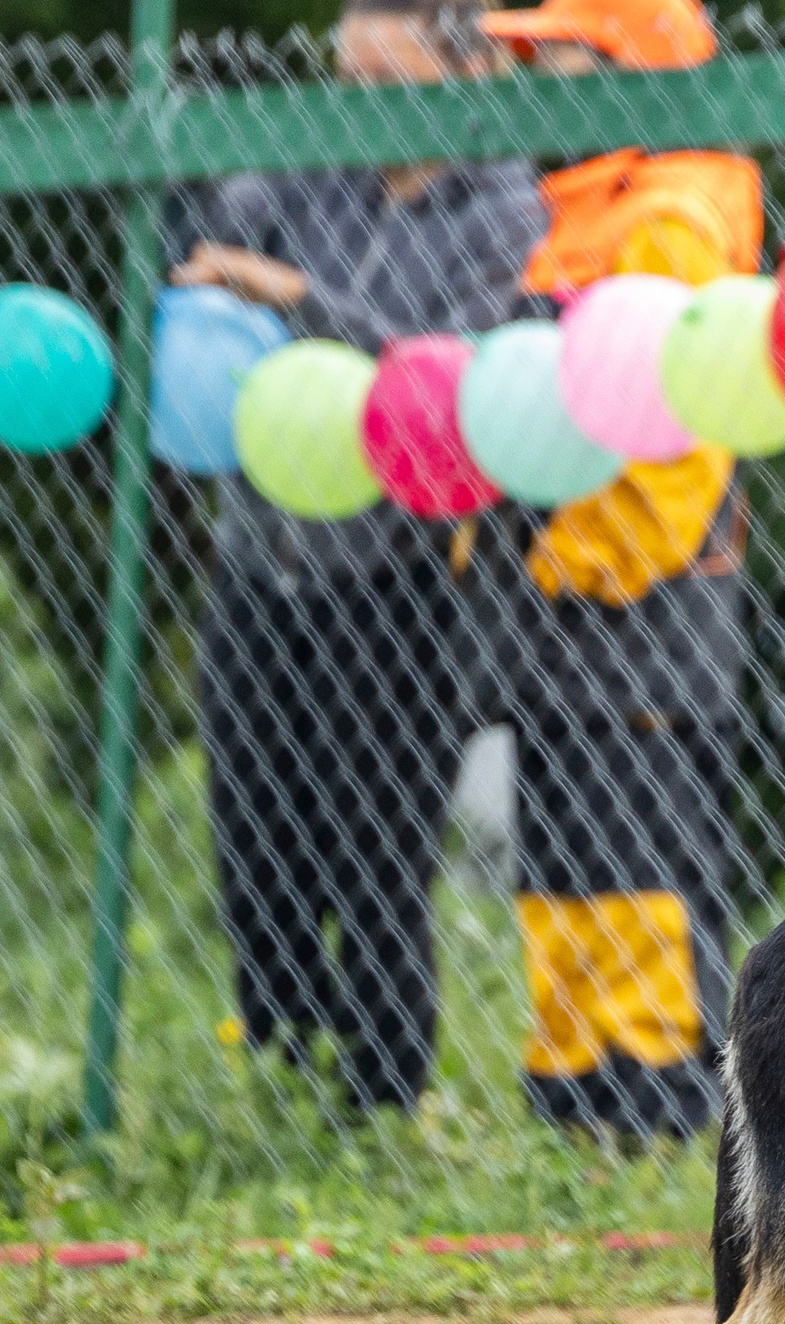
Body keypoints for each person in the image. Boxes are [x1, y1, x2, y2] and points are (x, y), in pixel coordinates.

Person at [184, 0, 547, 1111]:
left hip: (391, 580)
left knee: (376, 849)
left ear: (464, 70)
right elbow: (204, 240)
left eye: (391, 84)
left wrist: (302, 297)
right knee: (255, 843)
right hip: (259, 562)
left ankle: (384, 1098)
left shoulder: (503, 209)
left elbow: (444, 371)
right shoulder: (304, 178)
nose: (364, 109)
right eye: (351, 83)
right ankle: (283, 1078)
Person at [480, 0, 757, 1139]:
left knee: (638, 837)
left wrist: (593, 556)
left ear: (630, 66)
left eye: (560, 54)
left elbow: (677, 431)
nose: (536, 76)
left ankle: (658, 1084)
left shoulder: (672, 217)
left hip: (639, 591)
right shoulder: (575, 210)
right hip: (557, 588)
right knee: (563, 840)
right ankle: (572, 1069)